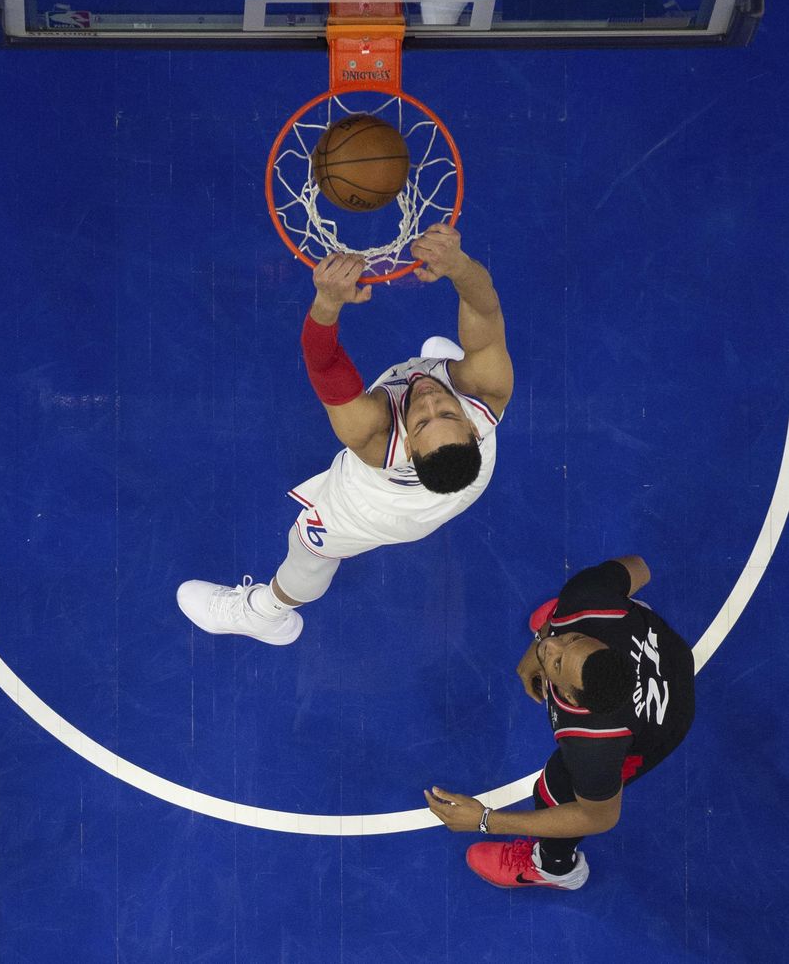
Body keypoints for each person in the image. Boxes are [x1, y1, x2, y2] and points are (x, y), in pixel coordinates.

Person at [177, 224, 514, 645]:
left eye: (422, 421)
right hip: (471, 474)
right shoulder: (486, 393)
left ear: (409, 444)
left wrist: (327, 303)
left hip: (377, 509)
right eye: (445, 411)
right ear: (471, 426)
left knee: (308, 547)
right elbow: (486, 309)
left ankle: (265, 613)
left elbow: (325, 364)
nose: (428, 400)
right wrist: (459, 265)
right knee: (477, 348)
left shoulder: (373, 435)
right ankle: (446, 387)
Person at [425, 556, 695, 890]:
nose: (552, 644)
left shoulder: (595, 745)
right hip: (669, 652)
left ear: (570, 696)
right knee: (582, 604)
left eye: (556, 663)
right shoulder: (590, 598)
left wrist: (486, 820)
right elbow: (640, 568)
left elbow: (600, 817)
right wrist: (541, 642)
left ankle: (556, 868)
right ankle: (596, 628)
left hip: (663, 724)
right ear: (601, 642)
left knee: (556, 788)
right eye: (572, 640)